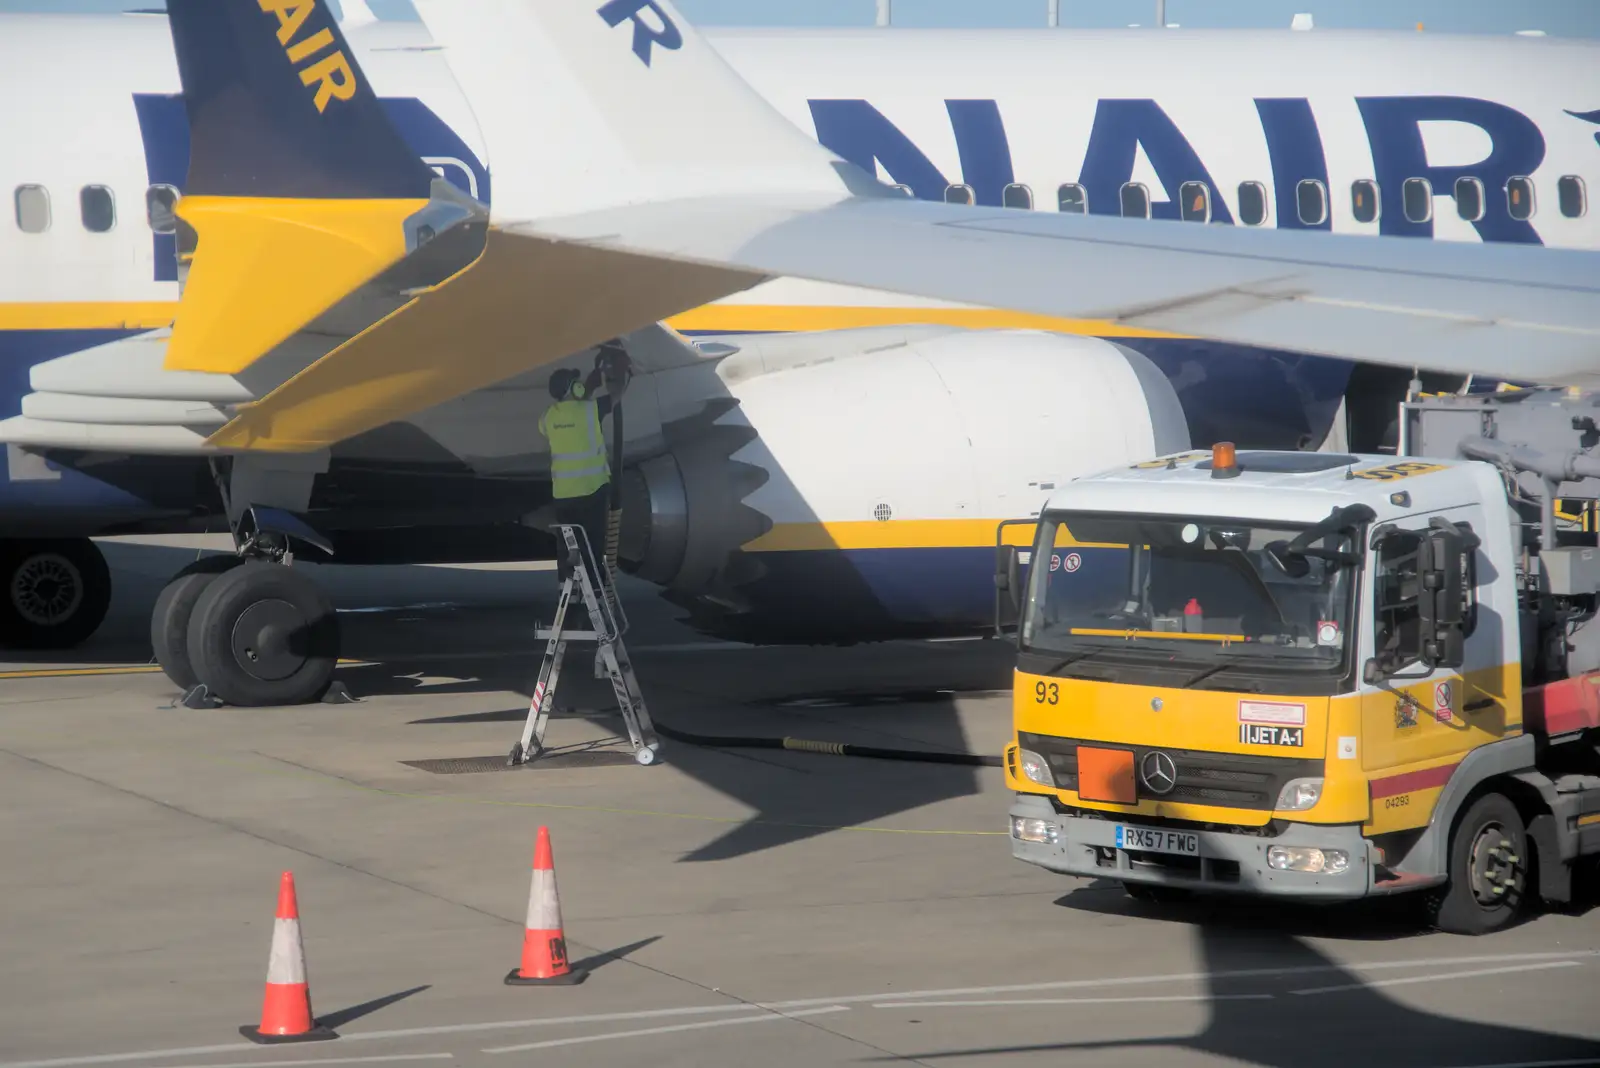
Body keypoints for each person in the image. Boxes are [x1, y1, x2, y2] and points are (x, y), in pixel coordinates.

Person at [539, 344, 629, 589]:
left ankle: (567, 586)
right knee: (593, 542)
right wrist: (620, 375)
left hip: (563, 494)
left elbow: (565, 416)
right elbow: (617, 395)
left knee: (568, 543)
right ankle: (595, 589)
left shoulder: (549, 416)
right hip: (591, 490)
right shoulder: (589, 410)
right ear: (574, 388)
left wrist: (586, 388)